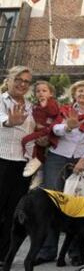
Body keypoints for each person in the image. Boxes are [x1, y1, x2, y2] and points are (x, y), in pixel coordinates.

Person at [35, 80, 84, 266]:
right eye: (80, 91)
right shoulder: (63, 109)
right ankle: (48, 250)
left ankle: (75, 252)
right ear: (74, 93)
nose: (83, 94)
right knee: (51, 202)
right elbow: (54, 129)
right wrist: (67, 127)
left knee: (79, 206)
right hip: (58, 157)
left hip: (83, 160)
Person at [0, 66, 34, 264]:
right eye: (18, 79)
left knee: (13, 214)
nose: (22, 84)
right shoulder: (1, 100)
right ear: (9, 79)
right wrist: (8, 122)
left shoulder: (30, 106)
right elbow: (2, 119)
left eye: (26, 81)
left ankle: (4, 257)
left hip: (22, 166)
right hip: (1, 161)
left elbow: (30, 135)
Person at [21, 81, 60, 185]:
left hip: (45, 131)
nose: (41, 93)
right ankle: (38, 172)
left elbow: (54, 113)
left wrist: (45, 105)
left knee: (26, 141)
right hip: (38, 130)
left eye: (44, 90)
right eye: (38, 91)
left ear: (50, 93)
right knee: (38, 149)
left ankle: (34, 160)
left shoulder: (51, 103)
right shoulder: (35, 105)